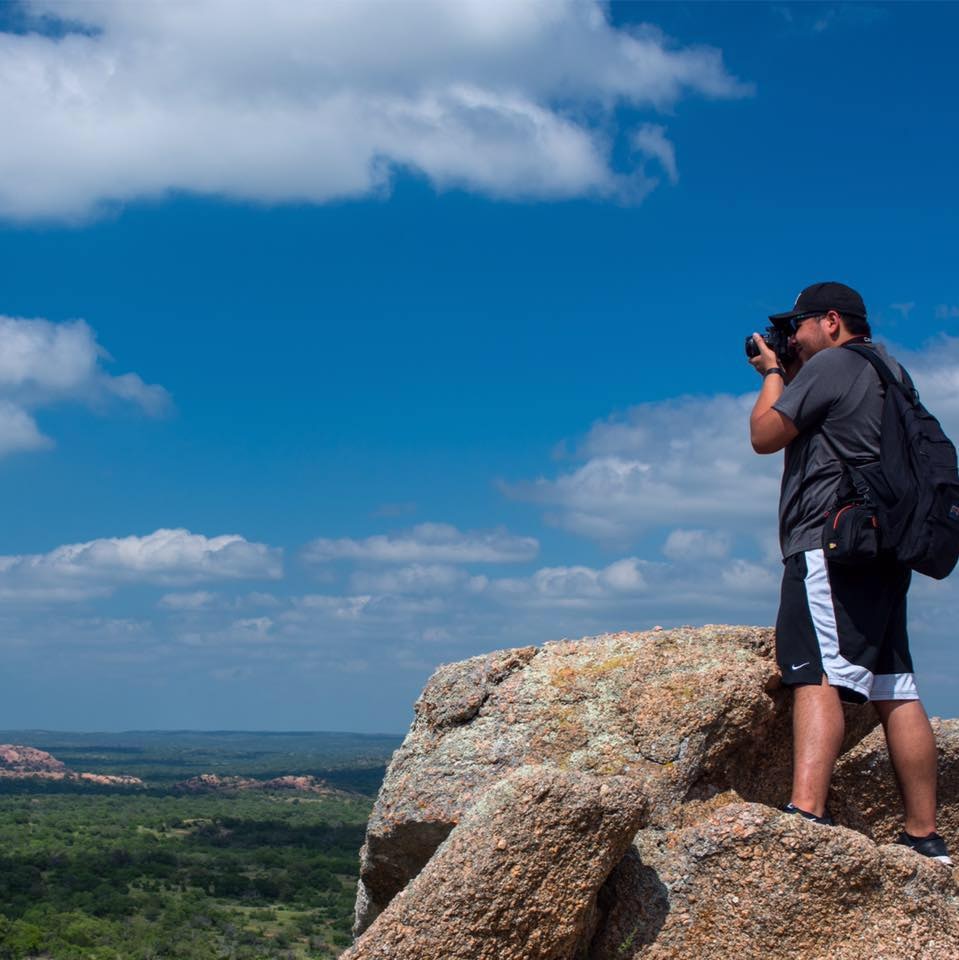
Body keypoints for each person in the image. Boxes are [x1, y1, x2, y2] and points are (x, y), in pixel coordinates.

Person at [747, 280, 951, 866]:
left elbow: (765, 435)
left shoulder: (833, 364)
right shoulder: (891, 370)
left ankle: (806, 816)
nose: (793, 336)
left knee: (814, 672)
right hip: (884, 546)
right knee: (894, 685)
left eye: (800, 324)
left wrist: (771, 374)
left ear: (831, 321)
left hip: (830, 544)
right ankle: (924, 836)